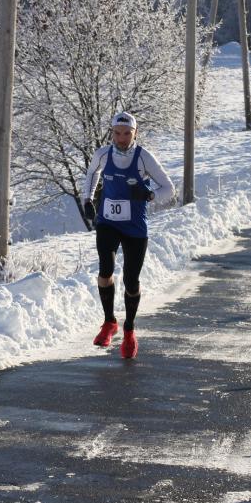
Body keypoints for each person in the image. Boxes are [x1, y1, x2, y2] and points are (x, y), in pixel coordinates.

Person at [80, 111, 174, 359]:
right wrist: (87, 200)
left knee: (131, 281)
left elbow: (169, 189)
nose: (121, 138)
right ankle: (109, 322)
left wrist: (150, 195)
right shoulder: (102, 154)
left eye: (126, 134)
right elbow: (92, 174)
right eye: (117, 133)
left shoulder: (144, 158)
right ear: (111, 133)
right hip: (108, 223)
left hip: (135, 227)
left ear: (135, 134)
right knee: (105, 270)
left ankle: (130, 330)